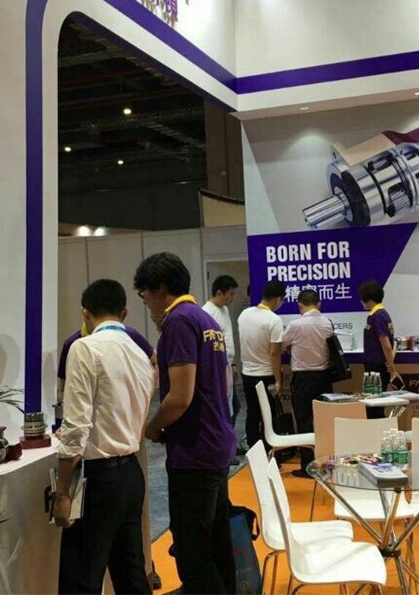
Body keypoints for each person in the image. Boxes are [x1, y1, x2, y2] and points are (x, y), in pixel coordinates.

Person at [135, 252, 236, 595]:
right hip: (216, 442)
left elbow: (179, 397)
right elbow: (224, 383)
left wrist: (152, 426)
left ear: (160, 288)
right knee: (217, 543)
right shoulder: (206, 319)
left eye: (145, 294)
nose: (147, 303)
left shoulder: (178, 321)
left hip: (195, 449)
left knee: (193, 553)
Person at [54, 279, 155, 595]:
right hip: (131, 473)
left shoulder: (84, 348)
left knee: (80, 579)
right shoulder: (140, 353)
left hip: (97, 479)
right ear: (124, 312)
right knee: (131, 575)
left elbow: (76, 427)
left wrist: (62, 492)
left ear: (85, 313)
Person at [282, 289, 334, 477]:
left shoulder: (295, 325)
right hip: (324, 377)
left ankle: (307, 466)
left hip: (303, 379)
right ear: (319, 304)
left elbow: (282, 344)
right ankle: (326, 462)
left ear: (300, 304)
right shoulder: (327, 323)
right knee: (324, 422)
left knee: (304, 421)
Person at [237, 279, 286, 449]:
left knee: (252, 413)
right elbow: (275, 353)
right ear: (278, 299)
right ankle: (269, 450)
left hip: (247, 373)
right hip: (266, 375)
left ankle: (253, 449)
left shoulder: (244, 315)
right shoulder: (274, 320)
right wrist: (278, 380)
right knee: (268, 414)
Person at [202, 275, 240, 425]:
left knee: (233, 406)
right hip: (217, 366)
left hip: (227, 363)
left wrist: (233, 363)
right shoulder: (207, 312)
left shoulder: (224, 309)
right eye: (230, 294)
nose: (232, 298)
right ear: (219, 293)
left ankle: (228, 435)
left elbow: (227, 336)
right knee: (225, 406)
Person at [358, 279, 398, 418]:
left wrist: (392, 367)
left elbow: (386, 344)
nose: (360, 302)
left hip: (377, 368)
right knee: (374, 405)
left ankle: (378, 429)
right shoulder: (381, 314)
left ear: (368, 300)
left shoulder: (378, 316)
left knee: (374, 406)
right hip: (376, 367)